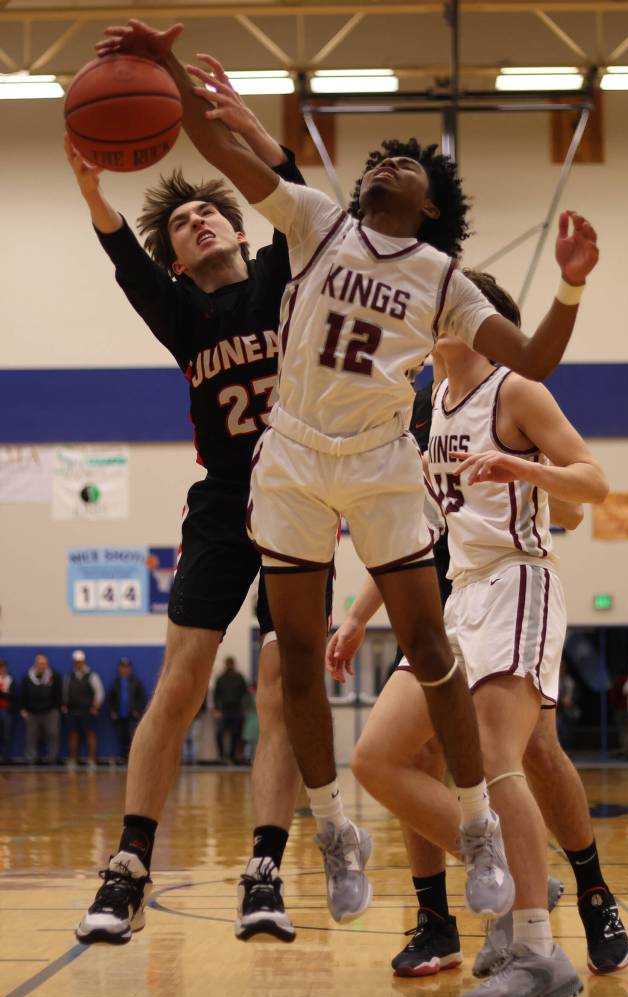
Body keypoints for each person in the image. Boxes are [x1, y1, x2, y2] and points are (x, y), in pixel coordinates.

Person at [167, 34, 599, 946]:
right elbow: (223, 155)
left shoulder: (442, 281)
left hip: (376, 461)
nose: (382, 163)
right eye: (376, 157)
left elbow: (537, 356)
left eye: (401, 162)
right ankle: (331, 831)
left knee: (425, 640)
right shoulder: (317, 217)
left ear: (427, 205)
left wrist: (567, 286)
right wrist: (171, 79)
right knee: (293, 651)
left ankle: (476, 828)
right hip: (289, 453)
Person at [69, 22, 333, 947]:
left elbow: (299, 197)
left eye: (208, 211)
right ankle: (128, 867)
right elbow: (123, 264)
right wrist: (91, 189)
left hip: (302, 500)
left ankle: (264, 869)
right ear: (177, 258)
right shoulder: (182, 312)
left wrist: (246, 124)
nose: (198, 220)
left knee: (280, 684)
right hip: (225, 507)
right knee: (180, 681)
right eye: (182, 222)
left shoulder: (282, 274)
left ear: (236, 224)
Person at [330, 272, 628, 997]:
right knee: (375, 759)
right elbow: (423, 528)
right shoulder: (430, 407)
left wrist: (518, 464)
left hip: (518, 582)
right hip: (460, 594)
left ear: (477, 319)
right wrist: (361, 611)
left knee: (504, 759)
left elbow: (592, 484)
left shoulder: (517, 390)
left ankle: (535, 947)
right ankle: (519, 873)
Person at [63, 650, 105, 770]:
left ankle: (91, 761)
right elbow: (65, 692)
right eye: (76, 662)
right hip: (73, 711)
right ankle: (72, 760)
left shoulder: (92, 676)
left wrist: (95, 707)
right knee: (73, 736)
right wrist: (65, 704)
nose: (78, 664)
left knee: (90, 735)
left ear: (84, 662)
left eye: (80, 662)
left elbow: (100, 693)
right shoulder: (69, 676)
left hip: (87, 711)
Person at [19, 653, 62, 765]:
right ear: (35, 663)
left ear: (47, 664)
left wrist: (57, 708)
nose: (41, 665)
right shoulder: (28, 677)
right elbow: (23, 693)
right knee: (31, 737)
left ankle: (52, 758)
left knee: (52, 734)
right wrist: (23, 708)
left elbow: (59, 693)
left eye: (44, 663)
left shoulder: (54, 676)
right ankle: (31, 759)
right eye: (39, 663)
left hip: (50, 712)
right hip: (32, 713)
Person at [109, 657, 147, 763]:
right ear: (119, 669)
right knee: (122, 736)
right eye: (122, 667)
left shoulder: (136, 682)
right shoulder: (116, 683)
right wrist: (113, 711)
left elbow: (141, 697)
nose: (124, 670)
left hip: (132, 715)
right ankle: (124, 758)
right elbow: (111, 698)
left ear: (130, 669)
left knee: (133, 737)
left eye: (126, 667)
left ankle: (133, 758)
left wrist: (138, 710)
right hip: (120, 715)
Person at [212, 656, 248, 763]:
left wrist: (244, 708)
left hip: (237, 710)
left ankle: (232, 757)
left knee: (235, 734)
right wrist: (216, 709)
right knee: (219, 733)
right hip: (223, 711)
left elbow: (245, 694)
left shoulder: (239, 678)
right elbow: (216, 695)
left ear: (234, 664)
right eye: (228, 664)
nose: (229, 666)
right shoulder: (221, 678)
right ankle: (222, 756)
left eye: (231, 663)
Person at [556, 658, 581, 750]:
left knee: (567, 733)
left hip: (568, 711)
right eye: (559, 667)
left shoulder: (569, 681)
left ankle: (567, 751)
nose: (561, 669)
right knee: (557, 731)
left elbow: (576, 694)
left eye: (562, 667)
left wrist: (572, 700)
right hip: (556, 711)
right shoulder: (553, 681)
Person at [0, 659, 16, 763]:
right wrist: (5, 693)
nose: (2, 670)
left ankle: (5, 758)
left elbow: (13, 696)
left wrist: (4, 694)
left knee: (6, 735)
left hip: (7, 711)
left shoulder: (11, 680)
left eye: (4, 668)